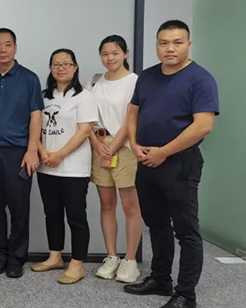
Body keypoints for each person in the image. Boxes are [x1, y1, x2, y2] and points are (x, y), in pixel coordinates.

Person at [123, 20, 218, 308]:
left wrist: (163, 152)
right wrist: (134, 143)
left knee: (186, 230)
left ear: (188, 44)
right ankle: (160, 278)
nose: (170, 48)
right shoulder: (148, 76)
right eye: (164, 43)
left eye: (177, 42)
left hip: (179, 163)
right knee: (156, 223)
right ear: (157, 45)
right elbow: (133, 111)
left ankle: (186, 294)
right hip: (146, 161)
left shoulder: (200, 79)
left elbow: (203, 126)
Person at [32, 48, 96, 285]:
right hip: (46, 166)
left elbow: (85, 130)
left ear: (75, 67)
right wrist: (42, 151)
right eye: (56, 64)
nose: (61, 68)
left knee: (76, 216)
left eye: (66, 64)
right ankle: (55, 256)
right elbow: (34, 127)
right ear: (50, 69)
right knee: (52, 214)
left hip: (73, 168)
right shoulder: (43, 96)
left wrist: (59, 155)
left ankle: (77, 264)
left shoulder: (84, 96)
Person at [0, 28, 43, 278]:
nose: (3, 50)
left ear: (15, 48)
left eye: (8, 44)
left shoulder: (29, 78)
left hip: (18, 153)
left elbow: (36, 116)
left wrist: (32, 150)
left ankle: (17, 258)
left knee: (19, 208)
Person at [87, 35, 142, 283]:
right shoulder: (95, 82)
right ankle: (111, 256)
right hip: (100, 147)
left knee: (130, 206)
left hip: (126, 148)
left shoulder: (135, 82)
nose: (110, 58)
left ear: (125, 54)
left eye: (115, 53)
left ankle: (130, 260)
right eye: (105, 54)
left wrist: (113, 146)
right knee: (106, 204)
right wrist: (98, 145)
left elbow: (131, 119)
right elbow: (87, 118)